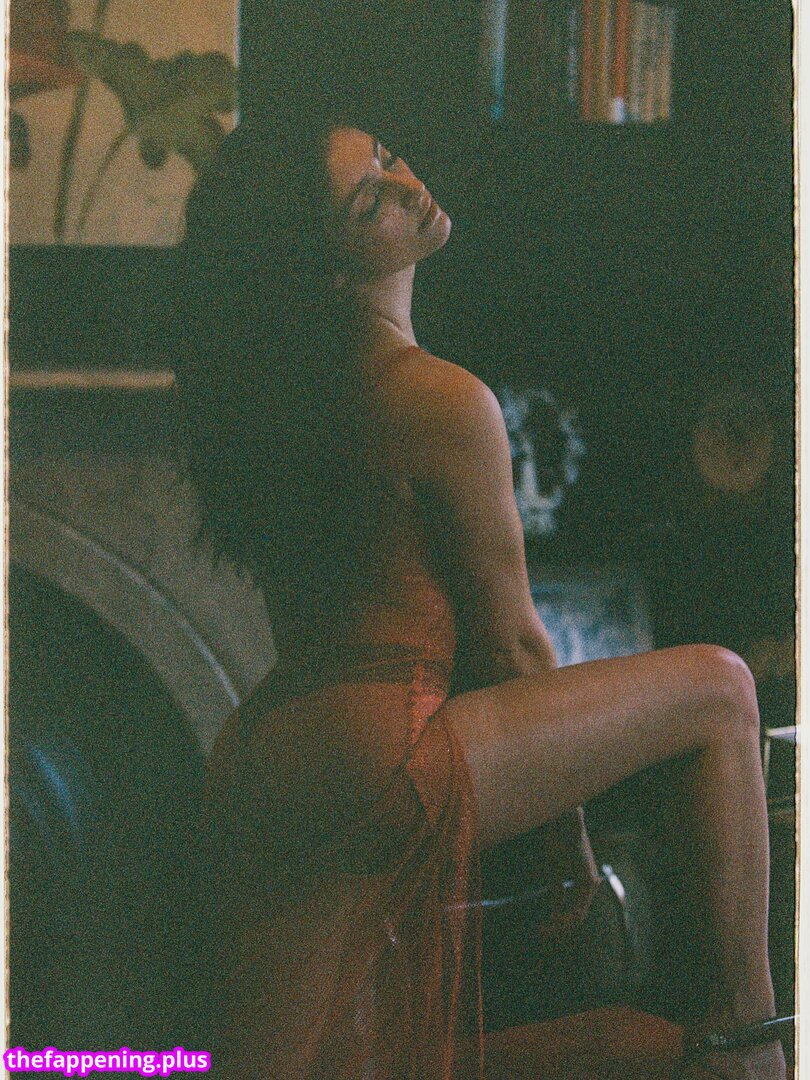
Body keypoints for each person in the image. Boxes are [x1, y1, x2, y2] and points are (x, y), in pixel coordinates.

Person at [174, 115, 787, 1080]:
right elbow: (513, 648)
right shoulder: (439, 398)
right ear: (331, 269)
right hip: (387, 746)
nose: (406, 184)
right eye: (369, 202)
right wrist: (566, 848)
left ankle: (699, 1057)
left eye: (387, 157)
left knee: (360, 1062)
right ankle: (751, 1044)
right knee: (721, 688)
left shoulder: (290, 408)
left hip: (272, 757)